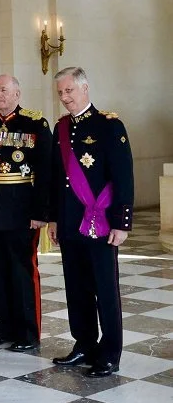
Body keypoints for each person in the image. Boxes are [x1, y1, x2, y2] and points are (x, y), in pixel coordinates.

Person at [49, 67, 134, 378]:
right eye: (60, 93)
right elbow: (57, 180)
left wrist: (122, 222)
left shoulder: (109, 126)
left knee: (105, 289)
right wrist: (54, 219)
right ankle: (84, 343)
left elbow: (123, 176)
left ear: (85, 89)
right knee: (76, 287)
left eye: (69, 91)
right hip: (71, 223)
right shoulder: (61, 129)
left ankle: (110, 353)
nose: (65, 98)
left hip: (100, 222)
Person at [0, 74, 52, 351]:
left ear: (17, 94)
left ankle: (28, 333)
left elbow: (46, 171)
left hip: (21, 211)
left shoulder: (34, 123)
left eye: (4, 90)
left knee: (22, 271)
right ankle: (3, 327)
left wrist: (41, 212)